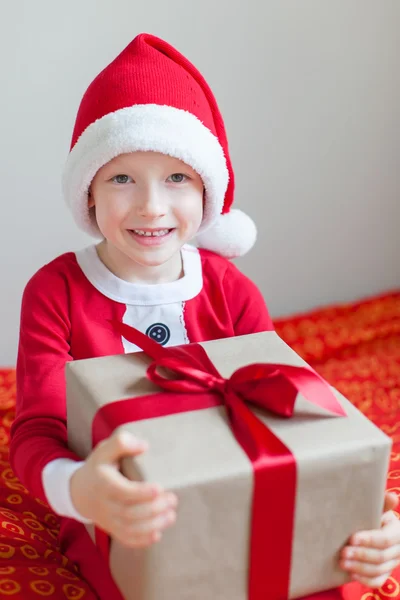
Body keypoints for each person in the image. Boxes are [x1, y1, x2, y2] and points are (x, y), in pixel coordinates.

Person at [9, 33, 400, 599]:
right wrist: (80, 491)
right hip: (120, 509)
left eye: (177, 178)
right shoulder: (55, 292)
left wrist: (368, 507)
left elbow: (293, 409)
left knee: (329, 576)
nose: (151, 206)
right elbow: (38, 430)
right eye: (122, 177)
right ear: (88, 192)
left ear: (207, 193)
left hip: (233, 494)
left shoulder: (229, 289)